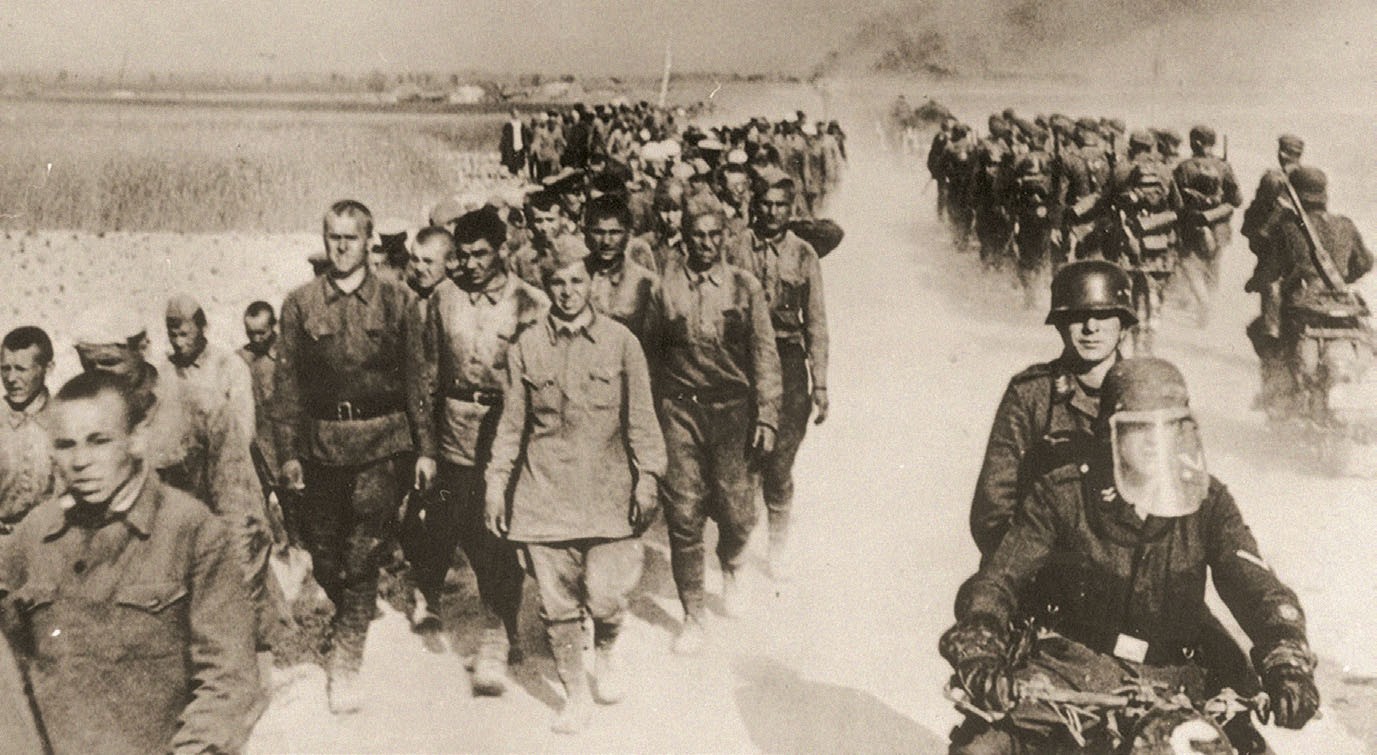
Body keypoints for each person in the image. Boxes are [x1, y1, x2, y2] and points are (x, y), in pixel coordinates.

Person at [943, 358, 1320, 753]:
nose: (1156, 442)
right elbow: (1001, 577)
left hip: (1181, 680)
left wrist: (1287, 658)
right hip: (1072, 673)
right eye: (1141, 429)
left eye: (1170, 428)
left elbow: (1256, 586)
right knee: (981, 749)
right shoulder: (1063, 493)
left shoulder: (1208, 501)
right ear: (1110, 433)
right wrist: (981, 646)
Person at [0, 370, 260, 754]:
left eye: (99, 441)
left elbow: (228, 681)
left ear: (136, 440)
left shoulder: (192, 531)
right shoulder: (34, 534)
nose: (81, 461)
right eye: (66, 445)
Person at [485, 240, 666, 734]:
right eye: (557, 283)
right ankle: (576, 695)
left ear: (591, 283)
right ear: (546, 287)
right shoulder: (526, 346)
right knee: (557, 605)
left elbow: (642, 420)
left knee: (606, 596)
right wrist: (496, 485)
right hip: (544, 496)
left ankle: (605, 648)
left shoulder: (621, 343)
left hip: (608, 494)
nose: (567, 292)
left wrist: (648, 477)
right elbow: (511, 426)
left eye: (576, 281)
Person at [272, 199, 435, 713]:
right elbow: (287, 386)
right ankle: (352, 614)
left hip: (382, 443)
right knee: (324, 555)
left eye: (351, 238)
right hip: (322, 445)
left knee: (363, 552)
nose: (341, 247)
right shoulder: (300, 304)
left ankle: (345, 661)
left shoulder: (397, 301)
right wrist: (289, 455)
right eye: (333, 238)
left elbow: (417, 380)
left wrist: (426, 450)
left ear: (369, 241)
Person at [75, 304, 281, 664]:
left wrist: (223, 616)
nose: (100, 377)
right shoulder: (84, 425)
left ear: (142, 348)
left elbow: (243, 520)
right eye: (89, 366)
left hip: (212, 595)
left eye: (109, 362)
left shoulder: (200, 408)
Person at [408, 208, 545, 693]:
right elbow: (426, 375)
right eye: (462, 256)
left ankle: (500, 629)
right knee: (469, 529)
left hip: (506, 432)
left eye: (480, 255)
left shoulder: (531, 304)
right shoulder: (444, 298)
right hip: (454, 433)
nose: (470, 265)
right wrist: (426, 447)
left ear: (502, 250)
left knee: (501, 535)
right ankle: (498, 628)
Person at [646, 195, 781, 654]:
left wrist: (768, 415)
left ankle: (733, 562)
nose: (705, 244)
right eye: (696, 236)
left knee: (738, 511)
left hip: (733, 411)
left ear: (725, 237)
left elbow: (764, 353)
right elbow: (650, 357)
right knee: (683, 514)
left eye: (713, 235)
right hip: (680, 411)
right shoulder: (664, 290)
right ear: (684, 238)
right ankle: (693, 615)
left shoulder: (745, 287)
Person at [969, 261, 1134, 562]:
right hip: (1048, 568)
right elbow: (993, 510)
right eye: (1077, 316)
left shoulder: (1149, 392)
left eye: (1103, 315)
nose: (1091, 327)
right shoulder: (1032, 394)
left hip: (1128, 567)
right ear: (1060, 325)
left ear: (1123, 326)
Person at [728, 167, 828, 579]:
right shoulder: (735, 247)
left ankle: (777, 547)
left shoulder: (803, 255)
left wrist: (820, 382)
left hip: (788, 362)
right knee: (744, 459)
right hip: (742, 360)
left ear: (791, 208)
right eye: (765, 204)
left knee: (780, 462)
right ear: (755, 204)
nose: (771, 212)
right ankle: (738, 543)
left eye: (780, 205)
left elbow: (816, 321)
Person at [1251, 165, 1374, 421]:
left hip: (1302, 306)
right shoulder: (1345, 224)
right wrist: (1339, 279)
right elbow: (1365, 262)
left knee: (1263, 334)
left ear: (1295, 194)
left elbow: (1270, 270)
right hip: (1342, 306)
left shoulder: (1286, 228)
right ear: (1323, 194)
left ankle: (1278, 401)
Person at [1242, 135, 1305, 417]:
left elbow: (1254, 223)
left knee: (1269, 334)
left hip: (1275, 267)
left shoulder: (1273, 179)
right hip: (1303, 269)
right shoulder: (1309, 181)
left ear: (1282, 153)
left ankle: (1272, 394)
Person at [1107, 130, 1181, 355]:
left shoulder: (1121, 170)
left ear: (1132, 147)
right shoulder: (1165, 171)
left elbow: (1106, 202)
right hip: (1158, 247)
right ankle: (1146, 346)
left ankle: (1124, 346)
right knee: (1153, 296)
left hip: (1128, 245)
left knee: (1126, 294)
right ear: (1151, 148)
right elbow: (1177, 206)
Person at [1173, 125, 1242, 325]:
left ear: (1195, 142)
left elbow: (1176, 202)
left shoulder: (1184, 167)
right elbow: (1237, 200)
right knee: (1213, 267)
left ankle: (1204, 303)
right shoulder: (1224, 167)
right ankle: (1210, 304)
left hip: (1192, 225)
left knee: (1189, 264)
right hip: (1219, 228)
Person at [0, 327, 56, 529]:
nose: (11, 379)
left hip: (47, 539)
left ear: (48, 368)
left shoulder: (65, 421)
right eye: (5, 368)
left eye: (21, 369)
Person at [584, 195, 660, 344]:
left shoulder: (646, 282)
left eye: (615, 232)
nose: (606, 241)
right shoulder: (572, 276)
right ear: (586, 233)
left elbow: (653, 343)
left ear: (628, 234)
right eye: (598, 232)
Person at [509, 190, 574, 288]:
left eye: (550, 220)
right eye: (538, 221)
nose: (544, 227)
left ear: (563, 219)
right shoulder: (521, 258)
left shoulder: (577, 249)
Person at [500, 108, 530, 176]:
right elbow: (505, 136)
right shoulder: (508, 124)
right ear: (512, 115)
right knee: (511, 157)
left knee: (520, 157)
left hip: (519, 142)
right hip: (512, 143)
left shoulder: (521, 124)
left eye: (517, 114)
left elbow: (524, 134)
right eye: (514, 114)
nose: (516, 115)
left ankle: (519, 170)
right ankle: (512, 172)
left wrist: (525, 144)